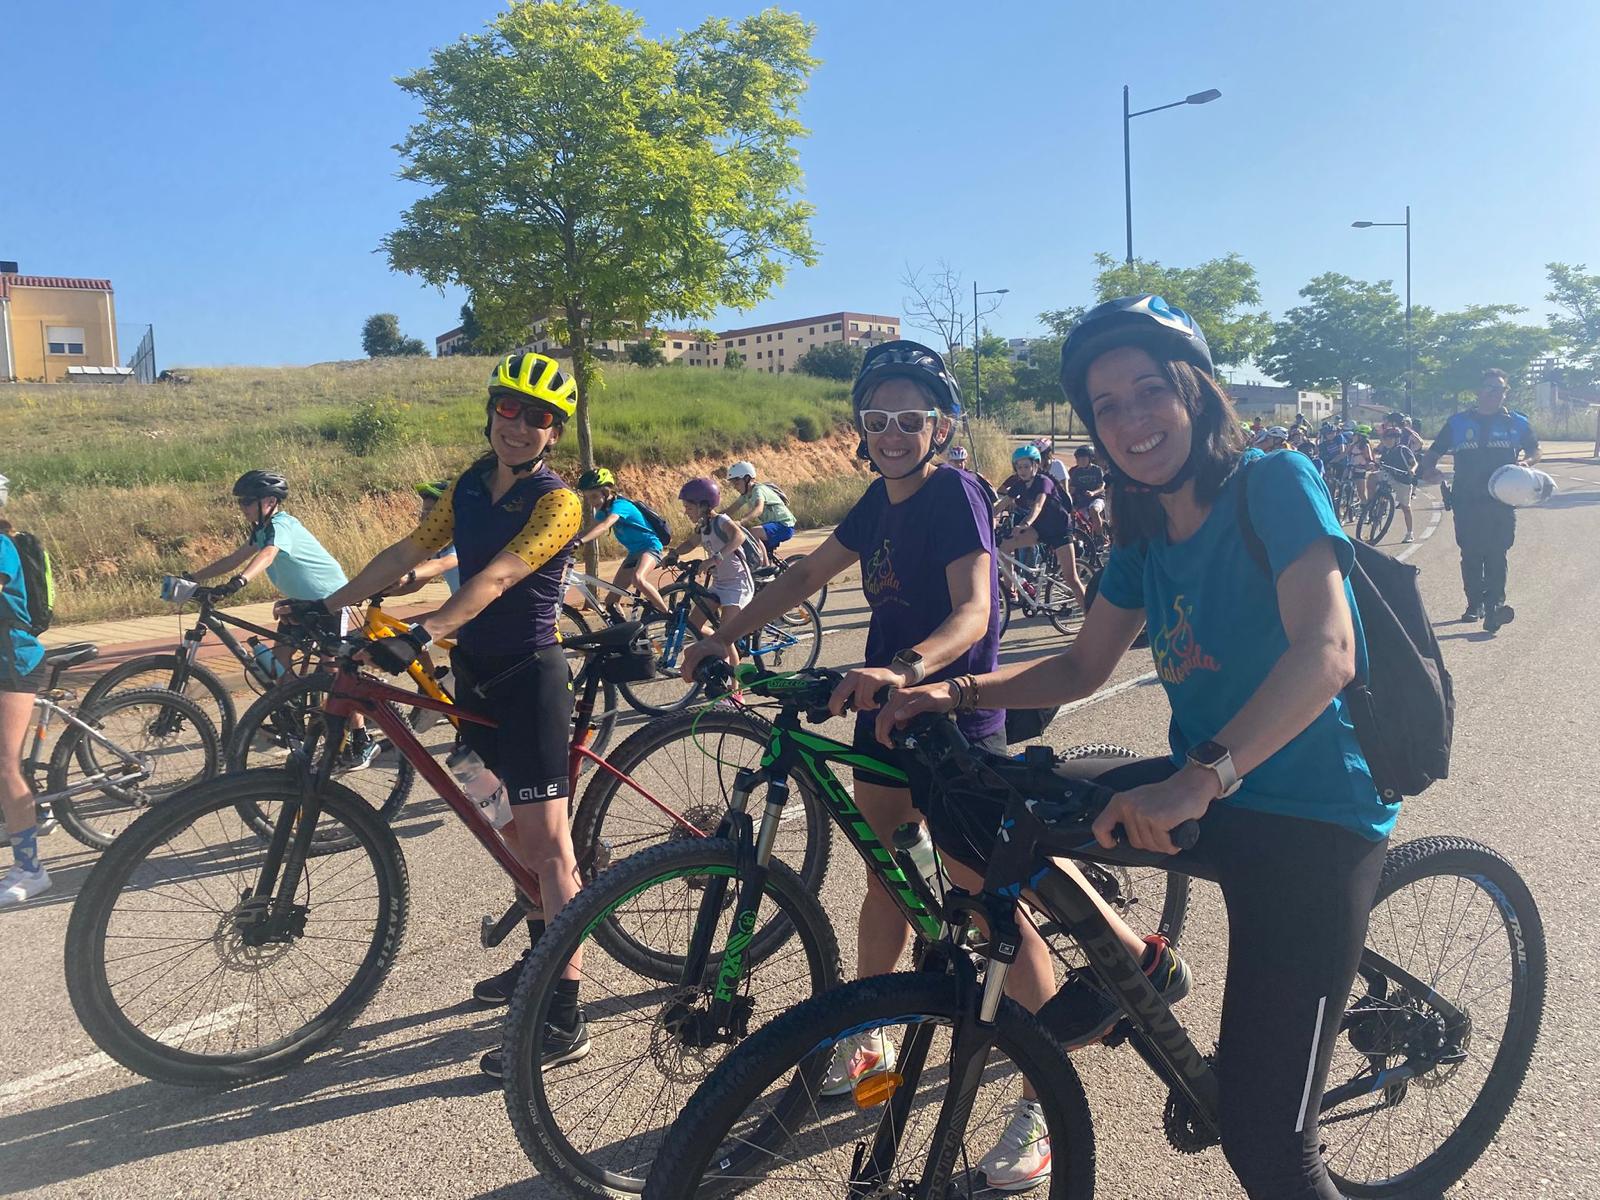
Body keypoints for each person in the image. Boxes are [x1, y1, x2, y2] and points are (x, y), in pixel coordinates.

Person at [883, 295, 1393, 1200]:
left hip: (1313, 815)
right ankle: (1127, 976)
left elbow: (1329, 651)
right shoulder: (1145, 525)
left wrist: (1200, 780)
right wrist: (946, 692)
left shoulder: (1271, 481)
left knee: (1268, 1150)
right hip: (1205, 788)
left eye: (1148, 390)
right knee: (982, 803)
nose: (1129, 419)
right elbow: (1082, 664)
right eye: (1106, 405)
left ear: (1196, 394)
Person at [680, 340, 1059, 1188]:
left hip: (952, 721)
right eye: (877, 419)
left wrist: (908, 668)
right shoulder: (876, 501)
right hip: (885, 722)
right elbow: (808, 572)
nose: (892, 433)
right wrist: (721, 637)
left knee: (990, 907)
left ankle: (1043, 1098)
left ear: (941, 425)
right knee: (886, 874)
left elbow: (974, 612)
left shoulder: (954, 492)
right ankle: (870, 1029)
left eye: (910, 419)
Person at [307, 352, 588, 1078]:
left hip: (531, 681)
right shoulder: (467, 485)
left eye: (538, 418)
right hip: (474, 680)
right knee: (507, 831)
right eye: (509, 409)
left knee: (549, 848)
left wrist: (422, 632)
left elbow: (498, 577)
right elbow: (408, 549)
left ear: (554, 432)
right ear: (491, 409)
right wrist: (329, 606)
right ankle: (539, 959)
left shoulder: (558, 502)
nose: (520, 426)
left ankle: (564, 1016)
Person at [1418, 367, 1540, 632]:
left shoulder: (1516, 422)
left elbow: (1534, 449)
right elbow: (1434, 451)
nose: (1496, 394)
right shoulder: (1457, 423)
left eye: (1501, 389)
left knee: (1497, 553)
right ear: (1478, 391)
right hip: (1466, 500)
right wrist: (1429, 470)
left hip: (1502, 501)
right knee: (1472, 553)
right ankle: (1475, 604)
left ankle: (1495, 607)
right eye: (1490, 388)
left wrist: (1527, 462)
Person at [0, 475, 51, 906]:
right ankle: (23, 814)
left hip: (13, 663)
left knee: (5, 764)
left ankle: (31, 869)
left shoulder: (1, 546)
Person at [995, 443, 1090, 614]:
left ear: (1035, 465)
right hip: (1040, 529)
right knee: (1004, 547)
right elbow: (1001, 505)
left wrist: (1024, 524)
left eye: (1026, 466)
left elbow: (1038, 506)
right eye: (1019, 467)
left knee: (1071, 578)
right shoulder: (1019, 484)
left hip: (1060, 529)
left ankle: (1090, 615)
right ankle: (1011, 591)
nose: (1022, 470)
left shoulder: (1043, 481)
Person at [661, 477, 755, 628]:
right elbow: (691, 543)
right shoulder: (703, 526)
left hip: (737, 585)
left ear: (703, 506)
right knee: (691, 627)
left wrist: (714, 559)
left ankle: (722, 648)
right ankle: (713, 646)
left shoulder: (721, 520)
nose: (686, 512)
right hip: (719, 585)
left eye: (689, 508)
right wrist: (674, 553)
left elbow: (739, 537)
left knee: (724, 636)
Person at [572, 468, 668, 614]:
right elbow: (589, 529)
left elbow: (604, 526)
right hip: (634, 554)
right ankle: (626, 635)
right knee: (611, 601)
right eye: (588, 498)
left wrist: (580, 542)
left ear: (606, 492)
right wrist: (566, 541)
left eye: (594, 496)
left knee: (638, 579)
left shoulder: (621, 506)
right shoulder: (603, 511)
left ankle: (668, 616)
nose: (591, 502)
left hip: (650, 547)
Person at [389, 481, 461, 596]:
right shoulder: (440, 547)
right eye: (423, 511)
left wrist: (409, 576)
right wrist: (374, 592)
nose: (423, 517)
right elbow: (413, 586)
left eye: (431, 511)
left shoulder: (463, 541)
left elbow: (441, 564)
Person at [722, 460, 797, 565]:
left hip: (784, 526)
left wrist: (741, 521)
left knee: (753, 532)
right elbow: (730, 510)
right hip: (771, 526)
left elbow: (758, 509)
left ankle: (764, 567)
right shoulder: (746, 495)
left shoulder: (758, 490)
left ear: (747, 479)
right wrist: (712, 518)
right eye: (733, 484)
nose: (735, 487)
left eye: (737, 483)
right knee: (748, 539)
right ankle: (767, 575)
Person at [1376, 426, 1419, 542]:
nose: (1386, 441)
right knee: (1372, 477)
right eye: (1385, 438)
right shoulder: (1386, 450)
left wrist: (1412, 470)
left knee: (1406, 507)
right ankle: (1373, 503)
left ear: (1396, 439)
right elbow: (1382, 463)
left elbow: (1414, 463)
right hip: (1390, 476)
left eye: (1388, 438)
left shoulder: (1403, 449)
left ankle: (1410, 533)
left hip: (1403, 480)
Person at [1066, 444, 1108, 540]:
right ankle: (1084, 541)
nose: (1080, 461)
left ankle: (1100, 537)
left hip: (1097, 498)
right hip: (1082, 501)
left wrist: (1093, 493)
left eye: (1083, 459)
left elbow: (1102, 487)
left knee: (1093, 509)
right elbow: (1072, 489)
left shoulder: (1097, 470)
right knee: (1074, 517)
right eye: (1078, 459)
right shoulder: (1076, 472)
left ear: (1090, 458)